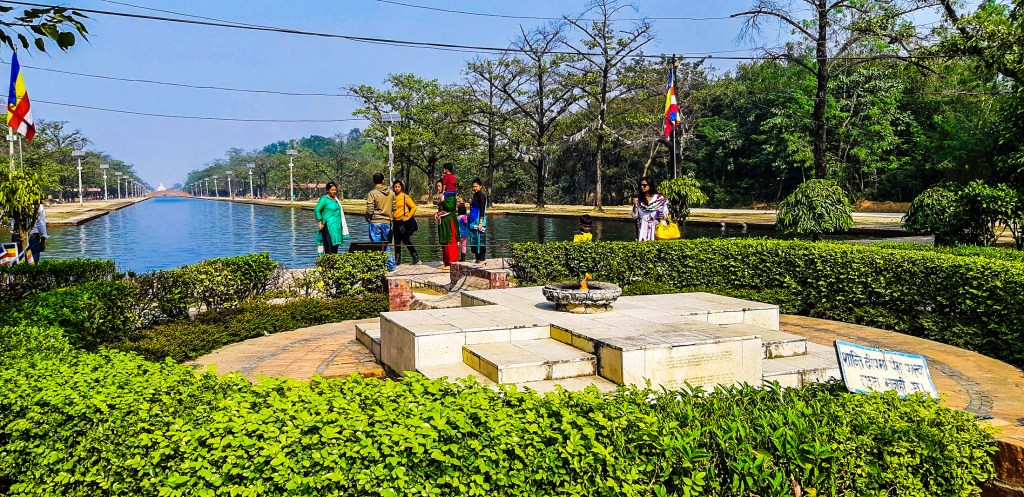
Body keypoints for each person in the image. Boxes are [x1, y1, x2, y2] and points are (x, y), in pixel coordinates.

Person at [365, 172, 397, 271]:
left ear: (374, 181)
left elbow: (370, 209)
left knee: (376, 245)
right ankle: (391, 266)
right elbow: (394, 207)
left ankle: (377, 267)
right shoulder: (391, 193)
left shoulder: (372, 193)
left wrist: (367, 218)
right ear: (383, 181)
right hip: (387, 222)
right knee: (385, 244)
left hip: (375, 221)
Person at [314, 182, 349, 255]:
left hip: (337, 226)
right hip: (328, 226)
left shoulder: (336, 199)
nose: (334, 192)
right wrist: (320, 222)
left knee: (335, 245)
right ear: (328, 190)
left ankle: (334, 263)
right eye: (332, 190)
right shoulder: (324, 199)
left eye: (335, 190)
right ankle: (328, 264)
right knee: (329, 245)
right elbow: (317, 210)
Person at [391, 180, 420, 265]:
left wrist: (408, 216)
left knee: (406, 240)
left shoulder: (405, 197)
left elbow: (414, 207)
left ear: (401, 187)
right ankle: (397, 260)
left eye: (398, 187)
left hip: (403, 222)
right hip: (395, 221)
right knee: (397, 241)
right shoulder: (392, 197)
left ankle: (416, 258)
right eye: (395, 187)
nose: (397, 188)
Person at [631, 177, 669, 242]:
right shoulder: (639, 199)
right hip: (643, 227)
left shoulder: (659, 198)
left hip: (657, 226)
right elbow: (634, 216)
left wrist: (663, 216)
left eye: (644, 185)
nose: (642, 187)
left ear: (650, 185)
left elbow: (666, 212)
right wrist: (635, 205)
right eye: (640, 185)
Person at [435, 180, 460, 269]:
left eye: (439, 186)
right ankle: (446, 262)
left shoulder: (451, 197)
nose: (438, 188)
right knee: (444, 241)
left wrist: (443, 201)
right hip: (443, 221)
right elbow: (441, 208)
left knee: (450, 241)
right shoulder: (442, 196)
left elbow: (450, 207)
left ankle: (452, 263)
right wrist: (437, 213)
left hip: (449, 221)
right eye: (437, 186)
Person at [468, 178, 487, 264]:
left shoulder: (481, 195)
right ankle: (477, 258)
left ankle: (482, 259)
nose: (474, 188)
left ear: (480, 186)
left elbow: (482, 209)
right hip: (473, 220)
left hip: (479, 220)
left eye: (476, 186)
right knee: (474, 239)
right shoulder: (475, 195)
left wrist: (480, 222)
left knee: (480, 239)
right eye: (473, 186)